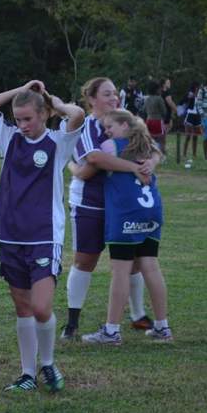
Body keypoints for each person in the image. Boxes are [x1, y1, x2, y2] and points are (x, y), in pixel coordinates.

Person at [0, 80, 84, 393]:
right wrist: (20, 89)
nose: (22, 125)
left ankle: (47, 362)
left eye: (28, 119)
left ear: (44, 115)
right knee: (23, 308)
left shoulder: (58, 142)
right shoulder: (9, 138)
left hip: (44, 235)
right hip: (10, 235)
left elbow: (77, 114)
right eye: (18, 118)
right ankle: (27, 374)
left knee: (41, 307)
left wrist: (52, 101)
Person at [62, 77, 157, 340]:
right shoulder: (88, 125)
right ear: (91, 98)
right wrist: (130, 165)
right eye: (107, 94)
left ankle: (138, 316)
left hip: (125, 204)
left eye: (115, 93)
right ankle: (72, 322)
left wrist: (151, 163)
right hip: (91, 203)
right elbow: (94, 158)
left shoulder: (127, 121)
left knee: (133, 260)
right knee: (85, 259)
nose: (114, 98)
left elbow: (152, 148)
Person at [80, 110, 172, 344]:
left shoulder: (111, 146)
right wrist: (150, 162)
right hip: (151, 211)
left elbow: (91, 164)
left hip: (126, 212)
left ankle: (111, 331)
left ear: (124, 125)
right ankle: (162, 327)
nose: (106, 132)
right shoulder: (147, 146)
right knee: (150, 266)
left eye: (110, 126)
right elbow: (157, 154)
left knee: (120, 270)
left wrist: (73, 168)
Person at [181, 82, 202, 165]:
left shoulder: (200, 96)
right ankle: (184, 154)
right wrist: (188, 97)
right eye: (198, 88)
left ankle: (194, 154)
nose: (199, 89)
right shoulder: (190, 94)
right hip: (190, 115)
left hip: (197, 115)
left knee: (195, 136)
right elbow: (182, 102)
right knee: (188, 136)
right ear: (195, 88)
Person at [143, 80, 166, 150]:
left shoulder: (147, 99)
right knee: (161, 139)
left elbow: (144, 110)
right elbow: (164, 111)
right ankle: (162, 155)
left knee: (150, 139)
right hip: (158, 121)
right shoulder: (159, 99)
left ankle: (151, 153)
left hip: (148, 120)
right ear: (156, 89)